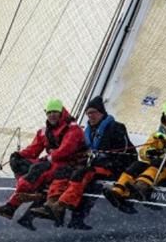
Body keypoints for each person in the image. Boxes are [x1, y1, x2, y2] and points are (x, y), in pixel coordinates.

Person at [30, 95, 135, 224]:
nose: (90, 116)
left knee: (81, 173)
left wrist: (104, 159)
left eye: (93, 112)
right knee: (63, 170)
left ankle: (61, 206)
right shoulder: (88, 130)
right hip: (93, 165)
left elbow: (125, 152)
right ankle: (51, 204)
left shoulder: (116, 127)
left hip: (113, 167)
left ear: (101, 112)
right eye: (88, 113)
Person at [0, 99, 85, 219]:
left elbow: (66, 150)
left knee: (37, 170)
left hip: (68, 163)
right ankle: (19, 201)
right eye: (49, 112)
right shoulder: (44, 131)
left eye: (55, 112)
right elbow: (33, 150)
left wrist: (49, 159)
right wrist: (19, 155)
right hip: (53, 161)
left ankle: (16, 203)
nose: (52, 115)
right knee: (21, 163)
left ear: (62, 112)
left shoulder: (73, 129)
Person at [104, 99, 166, 210]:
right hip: (161, 168)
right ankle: (118, 191)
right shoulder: (158, 133)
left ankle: (140, 188)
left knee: (158, 164)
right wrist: (149, 152)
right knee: (138, 165)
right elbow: (143, 151)